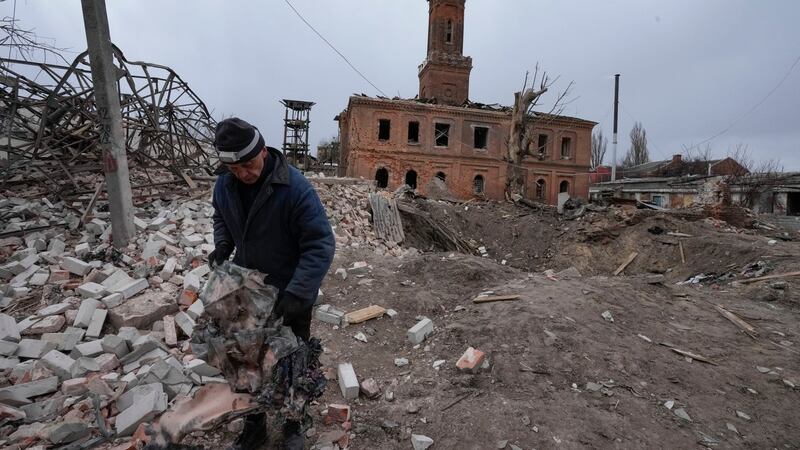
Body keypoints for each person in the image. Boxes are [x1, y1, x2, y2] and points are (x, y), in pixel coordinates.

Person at [210, 117, 335, 450]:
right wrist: (223, 244)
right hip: (247, 288)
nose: (244, 174)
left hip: (289, 289)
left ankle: (294, 423)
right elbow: (219, 215)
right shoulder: (225, 183)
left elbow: (320, 242)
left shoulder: (294, 188)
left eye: (249, 165)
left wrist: (298, 292)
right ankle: (255, 425)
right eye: (235, 169)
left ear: (263, 151)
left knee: (295, 358)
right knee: (246, 360)